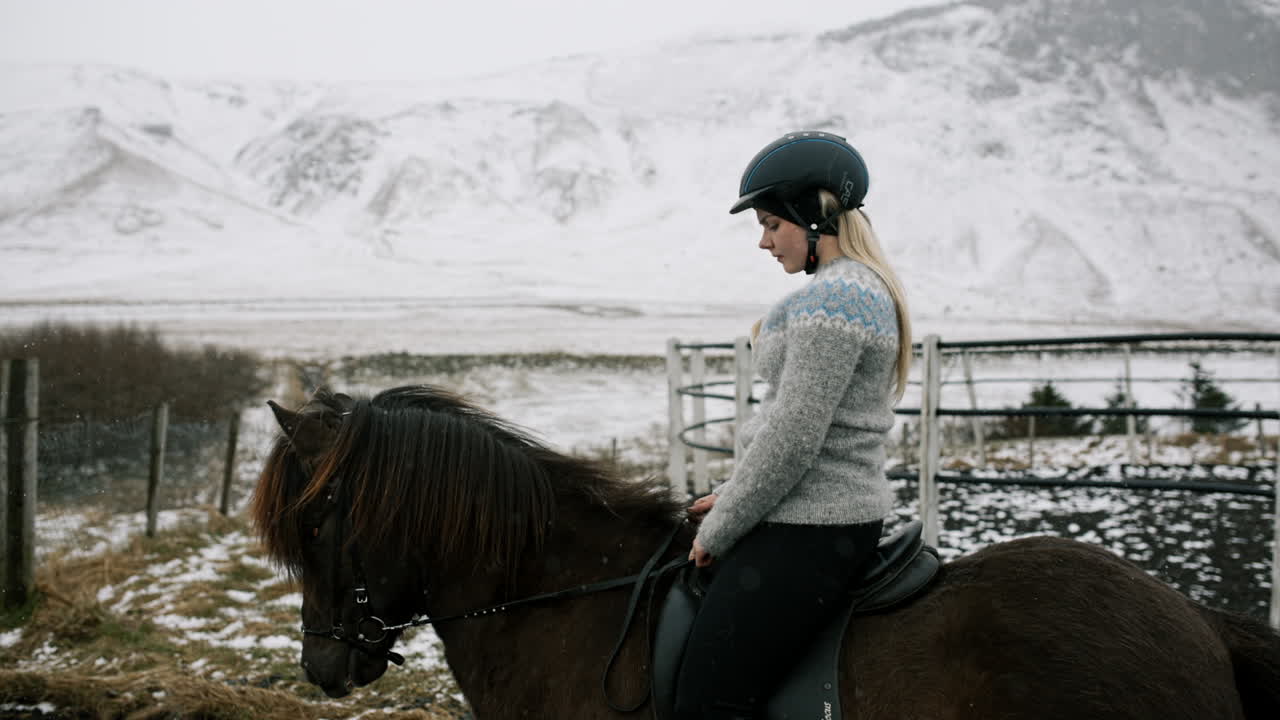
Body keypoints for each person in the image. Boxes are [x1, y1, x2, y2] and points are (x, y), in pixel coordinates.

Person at [674, 130, 912, 719]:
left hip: (814, 525)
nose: (763, 241)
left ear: (814, 215)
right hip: (812, 512)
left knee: (707, 704)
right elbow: (808, 428)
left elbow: (794, 435)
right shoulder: (850, 291)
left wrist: (722, 528)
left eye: (771, 224)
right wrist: (732, 493)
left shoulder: (840, 298)